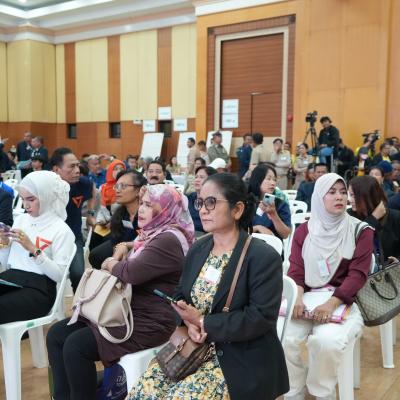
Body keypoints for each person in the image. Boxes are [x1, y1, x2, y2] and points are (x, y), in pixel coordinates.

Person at [129, 173, 289, 400]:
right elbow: (180, 293)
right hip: (192, 349)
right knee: (143, 392)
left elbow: (260, 318)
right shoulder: (199, 248)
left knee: (180, 397)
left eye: (211, 202)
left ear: (237, 209)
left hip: (240, 359)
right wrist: (187, 321)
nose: (203, 210)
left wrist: (203, 322)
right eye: (200, 203)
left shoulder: (262, 257)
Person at [46, 184, 195, 400]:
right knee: (57, 334)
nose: (141, 209)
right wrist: (125, 245)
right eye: (142, 203)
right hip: (126, 309)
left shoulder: (168, 239)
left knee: (76, 346)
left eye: (148, 205)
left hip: (150, 320)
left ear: (164, 210)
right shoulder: (155, 232)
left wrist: (110, 263)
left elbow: (130, 273)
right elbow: (138, 246)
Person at [284, 173, 374, 400]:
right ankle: (294, 389)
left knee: (326, 341)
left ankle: (321, 392)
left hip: (344, 300)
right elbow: (296, 270)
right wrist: (297, 298)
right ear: (318, 197)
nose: (340, 197)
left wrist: (331, 304)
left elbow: (357, 275)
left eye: (343, 192)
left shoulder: (361, 230)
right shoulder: (304, 231)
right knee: (281, 336)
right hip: (307, 298)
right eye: (331, 192)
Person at [0, 171, 75, 324]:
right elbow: (7, 264)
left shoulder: (62, 230)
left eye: (31, 199)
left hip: (40, 290)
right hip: (11, 279)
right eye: (22, 199)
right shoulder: (21, 220)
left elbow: (59, 276)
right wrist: (4, 243)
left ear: (47, 196)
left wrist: (33, 249)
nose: (25, 205)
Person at [51, 147, 96, 292]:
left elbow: (93, 191)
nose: (77, 170)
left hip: (73, 237)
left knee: (78, 274)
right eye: (71, 166)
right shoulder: (46, 186)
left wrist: (90, 214)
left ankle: (78, 303)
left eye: (78, 165)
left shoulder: (83, 183)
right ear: (56, 169)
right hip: (48, 237)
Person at [89, 170, 146, 269]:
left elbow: (150, 242)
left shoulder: (148, 214)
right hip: (121, 248)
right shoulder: (120, 214)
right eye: (116, 186)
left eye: (123, 186)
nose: (117, 190)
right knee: (95, 254)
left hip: (142, 253)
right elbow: (116, 240)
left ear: (138, 190)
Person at [348, 176, 400, 264]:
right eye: (350, 195)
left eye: (353, 195)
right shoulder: (349, 216)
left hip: (390, 271)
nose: (350, 200)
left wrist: (398, 262)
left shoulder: (395, 217)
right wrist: (373, 218)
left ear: (367, 196)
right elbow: (355, 243)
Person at [249, 164, 291, 240]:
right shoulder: (246, 201)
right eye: (268, 179)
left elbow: (285, 235)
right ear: (257, 179)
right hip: (248, 244)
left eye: (274, 180)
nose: (273, 183)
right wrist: (257, 228)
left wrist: (273, 214)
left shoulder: (280, 204)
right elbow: (235, 231)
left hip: (272, 245)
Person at [187, 166, 217, 234]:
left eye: (201, 177)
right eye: (196, 177)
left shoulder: (214, 202)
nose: (197, 180)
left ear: (212, 181)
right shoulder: (190, 197)